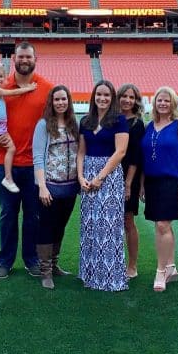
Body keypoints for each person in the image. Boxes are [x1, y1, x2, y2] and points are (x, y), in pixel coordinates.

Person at [0, 42, 54, 279]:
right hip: (6, 163)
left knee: (33, 215)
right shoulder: (1, 85)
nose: (24, 60)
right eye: (20, 56)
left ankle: (31, 259)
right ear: (14, 59)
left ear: (35, 58)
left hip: (35, 165)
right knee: (8, 214)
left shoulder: (46, 88)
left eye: (28, 56)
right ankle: (5, 261)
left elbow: (56, 123)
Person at [140, 86, 178, 292]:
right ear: (154, 103)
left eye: (166, 100)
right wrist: (143, 184)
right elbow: (144, 157)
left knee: (163, 224)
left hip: (172, 182)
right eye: (159, 100)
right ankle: (170, 267)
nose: (162, 103)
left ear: (173, 103)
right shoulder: (149, 126)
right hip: (152, 182)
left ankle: (160, 271)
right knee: (160, 225)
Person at [77, 80, 129, 292]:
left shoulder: (119, 120)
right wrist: (81, 177)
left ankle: (110, 277)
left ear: (112, 98)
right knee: (90, 225)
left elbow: (120, 152)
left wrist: (100, 177)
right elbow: (81, 152)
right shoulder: (86, 121)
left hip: (109, 176)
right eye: (99, 94)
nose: (102, 98)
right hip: (87, 174)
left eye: (107, 95)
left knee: (108, 226)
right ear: (93, 96)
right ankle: (90, 275)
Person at [33, 85, 80, 289]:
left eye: (64, 99)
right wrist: (42, 186)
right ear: (51, 102)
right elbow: (38, 158)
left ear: (68, 101)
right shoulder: (43, 125)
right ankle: (45, 271)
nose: (60, 103)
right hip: (50, 186)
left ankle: (54, 264)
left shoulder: (73, 123)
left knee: (60, 227)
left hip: (69, 187)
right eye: (57, 99)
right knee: (46, 227)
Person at [0, 60, 37, 193]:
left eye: (1, 76)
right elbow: (13, 93)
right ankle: (8, 177)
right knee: (11, 148)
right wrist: (29, 88)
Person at [117, 83, 145, 279]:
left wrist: (128, 184)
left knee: (128, 220)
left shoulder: (137, 123)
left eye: (131, 97)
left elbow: (135, 157)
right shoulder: (112, 119)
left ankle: (132, 265)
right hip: (110, 174)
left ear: (136, 101)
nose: (127, 100)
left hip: (129, 177)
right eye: (124, 96)